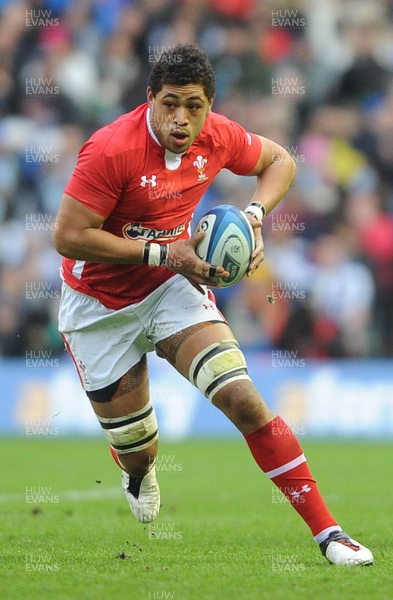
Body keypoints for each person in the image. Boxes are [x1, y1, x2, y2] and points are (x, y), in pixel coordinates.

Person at [53, 44, 373, 566]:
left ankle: (329, 534)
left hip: (171, 288)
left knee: (244, 400)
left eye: (194, 106)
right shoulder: (110, 150)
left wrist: (253, 215)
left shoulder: (219, 136)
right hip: (98, 306)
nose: (182, 119)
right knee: (139, 449)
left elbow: (279, 161)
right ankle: (137, 470)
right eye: (171, 104)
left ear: (209, 105)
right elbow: (68, 237)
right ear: (150, 98)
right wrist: (161, 250)